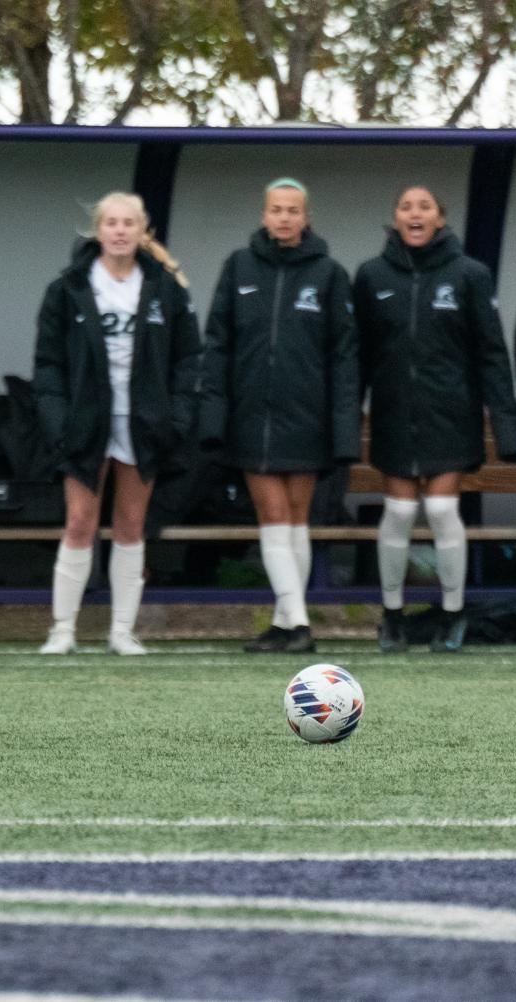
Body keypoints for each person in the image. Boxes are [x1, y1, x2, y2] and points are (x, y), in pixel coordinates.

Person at [33, 191, 202, 656]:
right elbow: (47, 365)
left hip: (144, 422)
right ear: (98, 229)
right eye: (112, 222)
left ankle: (122, 632)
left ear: (142, 230)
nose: (121, 230)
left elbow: (189, 360)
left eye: (130, 222)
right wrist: (58, 421)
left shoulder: (166, 288)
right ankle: (63, 630)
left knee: (131, 525)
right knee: (80, 522)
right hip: (86, 424)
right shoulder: (68, 287)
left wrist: (178, 416)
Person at [354, 186, 516, 653]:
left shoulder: (470, 274)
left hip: (451, 415)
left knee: (444, 511)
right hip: (392, 416)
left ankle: (452, 614)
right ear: (395, 218)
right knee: (401, 512)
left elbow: (492, 353)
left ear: (440, 219)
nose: (415, 213)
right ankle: (391, 617)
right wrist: (347, 419)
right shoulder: (371, 275)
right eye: (406, 206)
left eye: (424, 206)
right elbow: (358, 356)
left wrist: (506, 426)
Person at [198, 178, 358, 653]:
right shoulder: (238, 267)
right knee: (272, 516)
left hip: (307, 418)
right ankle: (298, 620)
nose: (284, 217)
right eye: (276, 209)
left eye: (293, 210)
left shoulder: (329, 273)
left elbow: (344, 356)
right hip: (251, 417)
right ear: (263, 214)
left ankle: (288, 622)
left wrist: (342, 425)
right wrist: (214, 412)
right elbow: (217, 344)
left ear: (306, 217)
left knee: (294, 520)